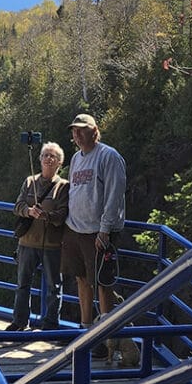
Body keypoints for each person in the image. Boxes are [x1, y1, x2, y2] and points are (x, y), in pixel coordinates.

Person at [61, 112, 128, 360]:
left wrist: (105, 230)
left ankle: (105, 340)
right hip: (75, 229)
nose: (77, 134)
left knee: (103, 284)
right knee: (81, 280)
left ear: (94, 130)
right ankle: (85, 331)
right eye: (74, 130)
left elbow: (114, 195)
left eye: (82, 129)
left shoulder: (108, 156)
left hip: (97, 233)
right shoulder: (77, 159)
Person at [9, 142, 68, 331]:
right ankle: (19, 322)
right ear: (40, 159)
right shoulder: (29, 182)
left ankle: (50, 324)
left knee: (54, 288)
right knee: (22, 285)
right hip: (27, 242)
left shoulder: (64, 187)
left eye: (53, 156)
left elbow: (63, 215)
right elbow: (17, 207)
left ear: (60, 162)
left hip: (52, 244)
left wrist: (47, 217)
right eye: (45, 155)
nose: (49, 159)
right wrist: (28, 211)